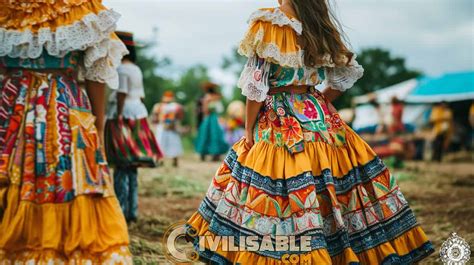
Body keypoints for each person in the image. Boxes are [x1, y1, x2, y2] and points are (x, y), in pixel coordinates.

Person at [186, 0, 434, 264]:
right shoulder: (318, 21)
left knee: (275, 187)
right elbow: (343, 76)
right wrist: (317, 101)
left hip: (279, 117)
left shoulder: (270, 23)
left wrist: (249, 129)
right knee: (328, 183)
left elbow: (256, 88)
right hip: (320, 116)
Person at [0, 1, 132, 263]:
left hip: (15, 100)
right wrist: (98, 124)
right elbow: (96, 74)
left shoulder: (9, 9)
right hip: (59, 102)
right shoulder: (79, 8)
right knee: (65, 176)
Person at [104, 31, 162, 223]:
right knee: (132, 165)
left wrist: (118, 116)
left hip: (123, 116)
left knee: (121, 164)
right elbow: (141, 95)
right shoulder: (135, 69)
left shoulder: (121, 70)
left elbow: (121, 94)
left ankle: (121, 209)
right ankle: (133, 209)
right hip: (139, 113)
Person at [195, 82, 229, 161]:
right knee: (216, 134)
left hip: (208, 118)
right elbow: (220, 109)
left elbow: (205, 110)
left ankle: (203, 153)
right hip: (215, 118)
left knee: (205, 135)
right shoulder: (217, 97)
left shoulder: (206, 97)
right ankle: (216, 154)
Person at [152, 91, 184, 167]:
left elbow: (180, 116)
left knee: (170, 144)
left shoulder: (175, 106)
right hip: (164, 127)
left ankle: (171, 161)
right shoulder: (159, 106)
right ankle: (160, 160)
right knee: (162, 143)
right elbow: (155, 117)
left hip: (169, 128)